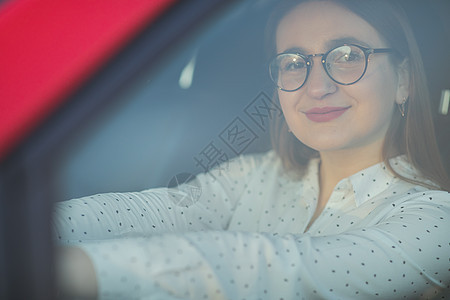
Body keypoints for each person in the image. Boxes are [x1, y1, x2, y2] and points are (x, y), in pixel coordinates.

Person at [54, 0, 450, 299]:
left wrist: (53, 267)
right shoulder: (254, 174)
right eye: (294, 62)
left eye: (347, 56)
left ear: (404, 80)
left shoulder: (434, 221)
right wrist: (33, 232)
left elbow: (278, 270)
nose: (316, 87)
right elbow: (160, 209)